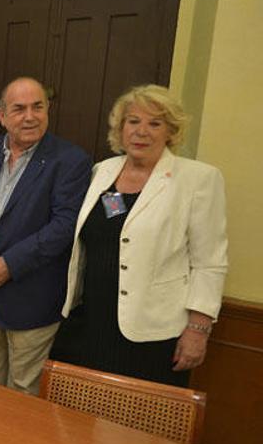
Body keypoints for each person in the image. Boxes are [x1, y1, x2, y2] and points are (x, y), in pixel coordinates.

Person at [56, 85, 227, 387]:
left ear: (170, 131)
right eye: (133, 121)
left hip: (152, 331)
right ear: (121, 129)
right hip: (91, 322)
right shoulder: (102, 171)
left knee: (137, 426)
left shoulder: (198, 179)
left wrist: (198, 331)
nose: (141, 131)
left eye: (154, 123)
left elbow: (209, 262)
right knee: (83, 419)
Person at [0, 77, 91, 394]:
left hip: (33, 297)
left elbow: (64, 226)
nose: (30, 116)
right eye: (19, 109)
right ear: (1, 116)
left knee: (24, 391)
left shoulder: (70, 161)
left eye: (37, 107)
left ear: (48, 109)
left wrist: (11, 264)